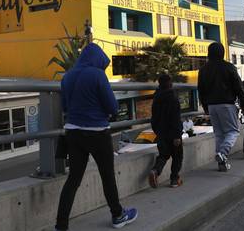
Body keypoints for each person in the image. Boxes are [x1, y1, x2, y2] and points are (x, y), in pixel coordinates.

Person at [55, 43, 137, 231]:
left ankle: (61, 225)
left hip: (73, 134)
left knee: (73, 180)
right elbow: (112, 107)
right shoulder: (98, 75)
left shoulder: (67, 77)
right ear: (97, 60)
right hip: (97, 133)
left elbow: (65, 107)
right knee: (107, 176)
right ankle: (118, 215)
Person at [198, 42, 244, 172]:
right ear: (222, 52)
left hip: (212, 106)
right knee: (233, 131)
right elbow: (238, 86)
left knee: (219, 134)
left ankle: (222, 164)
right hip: (226, 104)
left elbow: (201, 90)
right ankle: (222, 153)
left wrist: (205, 106)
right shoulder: (229, 67)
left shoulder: (203, 69)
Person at [148, 74, 184, 188]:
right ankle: (174, 179)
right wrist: (177, 135)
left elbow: (154, 117)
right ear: (170, 83)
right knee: (177, 156)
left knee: (163, 155)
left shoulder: (156, 97)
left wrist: (157, 131)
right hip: (173, 133)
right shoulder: (173, 97)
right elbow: (175, 118)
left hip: (161, 132)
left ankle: (155, 171)